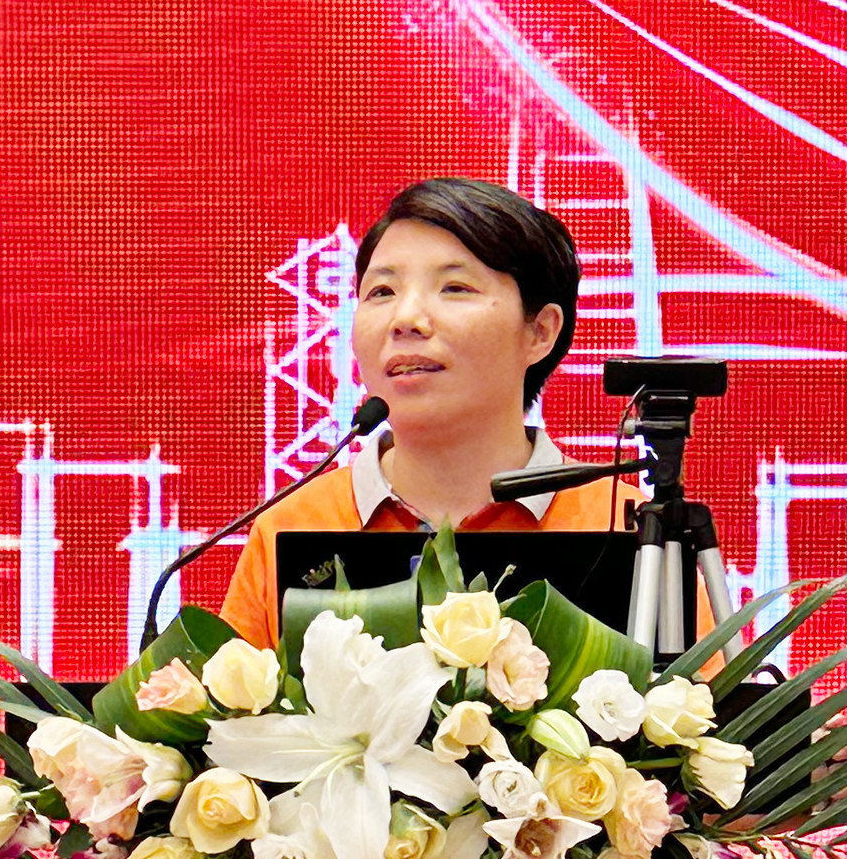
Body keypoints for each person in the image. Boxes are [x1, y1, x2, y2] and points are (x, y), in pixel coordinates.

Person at [221, 177, 650, 649]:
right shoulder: (294, 523)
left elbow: (694, 696)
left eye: (454, 287)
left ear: (540, 332)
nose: (405, 319)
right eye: (381, 291)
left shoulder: (627, 526)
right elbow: (235, 699)